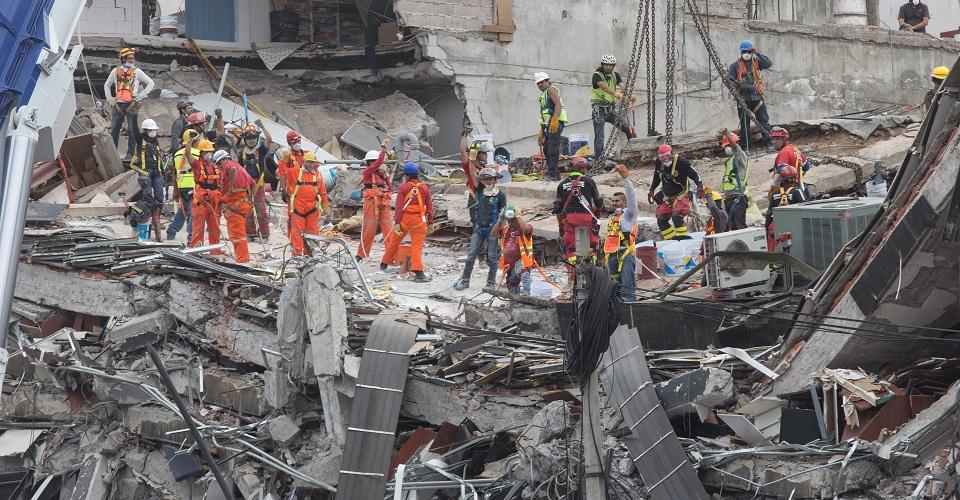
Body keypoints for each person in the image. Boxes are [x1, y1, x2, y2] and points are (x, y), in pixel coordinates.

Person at [455, 167, 507, 290]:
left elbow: (503, 213)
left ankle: (491, 283)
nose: (487, 181)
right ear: (482, 180)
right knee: (471, 255)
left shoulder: (501, 195)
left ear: (495, 180)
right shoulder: (479, 191)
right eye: (485, 179)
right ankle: (465, 281)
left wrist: (502, 230)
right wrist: (471, 159)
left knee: (492, 256)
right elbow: (471, 172)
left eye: (490, 179)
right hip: (479, 228)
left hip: (493, 230)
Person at [381, 162, 434, 283]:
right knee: (417, 246)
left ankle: (384, 263)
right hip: (419, 221)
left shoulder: (403, 188)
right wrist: (430, 223)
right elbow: (429, 207)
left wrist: (397, 222)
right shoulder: (424, 188)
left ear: (407, 176)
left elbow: (399, 207)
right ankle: (418, 273)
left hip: (405, 220)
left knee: (394, 241)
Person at [553, 157, 603, 277]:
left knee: (571, 248)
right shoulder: (589, 181)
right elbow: (598, 203)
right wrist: (597, 218)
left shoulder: (562, 185)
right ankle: (591, 274)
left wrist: (561, 228)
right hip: (586, 219)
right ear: (584, 168)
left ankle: (573, 277)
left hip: (569, 220)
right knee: (591, 246)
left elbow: (558, 210)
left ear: (571, 168)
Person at [104, 48, 155, 162]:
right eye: (129, 58)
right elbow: (107, 85)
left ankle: (130, 154)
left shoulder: (137, 72)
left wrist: (142, 95)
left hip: (132, 104)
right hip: (118, 105)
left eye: (133, 58)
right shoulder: (115, 71)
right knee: (114, 130)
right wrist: (110, 98)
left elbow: (151, 83)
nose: (132, 60)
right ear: (123, 59)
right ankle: (113, 153)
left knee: (132, 130)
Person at [277, 151, 329, 257]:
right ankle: (297, 254)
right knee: (297, 232)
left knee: (312, 232)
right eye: (308, 162)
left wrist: (325, 205)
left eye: (312, 162)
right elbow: (282, 172)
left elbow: (322, 192)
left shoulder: (318, 176)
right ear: (304, 162)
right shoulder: (295, 171)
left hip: (312, 208)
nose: (310, 164)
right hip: (298, 207)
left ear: (315, 163)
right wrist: (283, 160)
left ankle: (310, 254)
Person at [648, 144, 704, 240]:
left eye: (667, 156)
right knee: (661, 219)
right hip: (667, 197)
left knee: (676, 216)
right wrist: (652, 189)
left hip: (681, 195)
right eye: (662, 157)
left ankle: (681, 239)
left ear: (672, 154)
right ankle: (670, 240)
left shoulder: (681, 162)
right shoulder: (659, 163)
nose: (665, 159)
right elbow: (657, 177)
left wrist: (700, 186)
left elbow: (695, 174)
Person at [603, 164, 639, 301]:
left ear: (624, 202)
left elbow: (632, 198)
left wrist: (626, 180)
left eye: (617, 201)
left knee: (627, 284)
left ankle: (629, 305)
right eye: (612, 201)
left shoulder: (629, 215)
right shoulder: (613, 218)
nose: (614, 203)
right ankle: (615, 306)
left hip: (625, 254)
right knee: (613, 286)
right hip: (611, 255)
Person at [213, 150, 255, 263]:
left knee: (237, 235)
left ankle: (242, 260)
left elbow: (232, 169)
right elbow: (253, 184)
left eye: (219, 164)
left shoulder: (229, 165)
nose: (219, 167)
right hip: (243, 204)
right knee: (240, 233)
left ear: (223, 159)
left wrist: (230, 189)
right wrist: (251, 200)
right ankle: (243, 257)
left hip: (235, 206)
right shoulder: (241, 168)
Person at [591, 54, 636, 160]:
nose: (608, 67)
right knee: (600, 137)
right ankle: (599, 161)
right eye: (606, 65)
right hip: (599, 109)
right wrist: (617, 94)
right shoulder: (597, 75)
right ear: (602, 65)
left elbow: (622, 87)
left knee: (628, 128)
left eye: (610, 65)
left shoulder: (615, 75)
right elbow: (604, 87)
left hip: (610, 109)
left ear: (613, 66)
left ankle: (635, 151)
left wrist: (629, 94)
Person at [728, 40, 772, 147]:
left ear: (752, 52)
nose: (746, 54)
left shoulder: (757, 63)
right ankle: (745, 147)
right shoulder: (734, 66)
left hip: (757, 98)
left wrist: (757, 53)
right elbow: (729, 82)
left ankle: (769, 144)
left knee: (764, 122)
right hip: (743, 100)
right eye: (744, 52)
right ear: (741, 52)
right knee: (744, 126)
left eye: (749, 51)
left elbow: (768, 63)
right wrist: (737, 85)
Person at [129, 118, 165, 241]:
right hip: (145, 173)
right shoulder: (141, 140)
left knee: (160, 198)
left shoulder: (155, 141)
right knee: (148, 198)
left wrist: (162, 170)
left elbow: (158, 157)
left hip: (157, 173)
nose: (154, 132)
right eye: (151, 130)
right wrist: (133, 115)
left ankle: (156, 220)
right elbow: (134, 130)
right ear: (145, 130)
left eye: (154, 130)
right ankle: (145, 220)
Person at [184, 139, 223, 252]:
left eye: (210, 152)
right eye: (206, 152)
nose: (209, 154)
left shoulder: (216, 167)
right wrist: (190, 141)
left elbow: (221, 184)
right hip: (201, 202)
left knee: (215, 229)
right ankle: (196, 250)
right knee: (198, 228)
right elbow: (188, 154)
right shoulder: (197, 165)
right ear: (201, 153)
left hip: (214, 202)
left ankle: (215, 251)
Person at [357, 140, 392, 261]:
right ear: (369, 163)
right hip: (372, 202)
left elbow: (390, 188)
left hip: (383, 202)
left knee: (388, 228)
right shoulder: (367, 172)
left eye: (375, 161)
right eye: (372, 161)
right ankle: (361, 254)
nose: (375, 164)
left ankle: (391, 255)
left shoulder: (381, 175)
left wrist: (386, 176)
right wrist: (383, 151)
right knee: (369, 229)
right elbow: (377, 164)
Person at [238, 121, 273, 241]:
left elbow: (269, 139)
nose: (251, 140)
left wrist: (262, 126)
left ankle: (264, 234)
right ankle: (250, 233)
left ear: (257, 137)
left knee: (260, 208)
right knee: (247, 209)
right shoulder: (242, 153)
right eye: (248, 138)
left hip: (258, 184)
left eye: (253, 137)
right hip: (246, 184)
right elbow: (239, 169)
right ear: (245, 139)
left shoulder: (261, 150)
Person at [494, 206, 534, 294]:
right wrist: (500, 220)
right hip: (509, 262)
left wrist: (518, 216)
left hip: (522, 259)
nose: (510, 222)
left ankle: (526, 295)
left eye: (512, 220)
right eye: (509, 220)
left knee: (523, 274)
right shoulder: (506, 229)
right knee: (512, 282)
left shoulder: (524, 228)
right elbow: (493, 234)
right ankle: (513, 300)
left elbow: (526, 229)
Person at [167, 130, 199, 241]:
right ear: (194, 141)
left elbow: (175, 173)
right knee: (193, 213)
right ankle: (191, 237)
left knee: (183, 211)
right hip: (194, 186)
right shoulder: (197, 153)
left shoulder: (177, 154)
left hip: (182, 186)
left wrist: (176, 190)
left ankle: (171, 231)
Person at [535, 72, 567, 181]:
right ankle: (555, 173)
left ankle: (552, 174)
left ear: (547, 81)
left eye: (542, 82)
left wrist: (555, 119)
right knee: (546, 149)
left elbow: (558, 104)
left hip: (555, 122)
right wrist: (542, 130)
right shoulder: (543, 96)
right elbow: (544, 114)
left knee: (552, 148)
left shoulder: (551, 90)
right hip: (548, 124)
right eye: (538, 83)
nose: (540, 85)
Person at [766, 164, 806, 249]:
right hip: (794, 225)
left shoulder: (775, 193)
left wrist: (766, 228)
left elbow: (769, 213)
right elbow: (805, 207)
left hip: (778, 226)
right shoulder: (797, 191)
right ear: (794, 178)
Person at [718, 129, 750, 231]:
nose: (726, 148)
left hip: (738, 198)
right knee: (733, 229)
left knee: (740, 227)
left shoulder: (740, 156)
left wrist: (728, 135)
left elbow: (735, 148)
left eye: (728, 145)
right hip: (730, 199)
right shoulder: (730, 161)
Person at [770, 127, 811, 194]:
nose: (774, 142)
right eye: (773, 139)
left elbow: (780, 172)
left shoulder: (784, 152)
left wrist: (772, 188)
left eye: (777, 139)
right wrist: (797, 178)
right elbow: (806, 167)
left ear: (784, 139)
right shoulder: (794, 149)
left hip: (786, 191)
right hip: (799, 187)